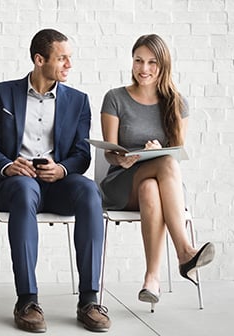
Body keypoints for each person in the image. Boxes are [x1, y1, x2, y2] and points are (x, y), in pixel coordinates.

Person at [0, 28, 110, 333]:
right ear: (40, 60)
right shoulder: (3, 93)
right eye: (62, 58)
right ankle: (27, 300)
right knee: (25, 191)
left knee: (90, 191)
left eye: (69, 58)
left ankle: (89, 299)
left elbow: (81, 154)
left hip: (58, 182)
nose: (69, 65)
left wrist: (62, 169)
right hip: (16, 183)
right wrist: (8, 165)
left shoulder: (79, 101)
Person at [99, 34, 214, 312]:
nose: (144, 68)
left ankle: (152, 279)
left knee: (152, 185)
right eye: (139, 60)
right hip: (121, 183)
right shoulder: (115, 98)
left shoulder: (176, 103)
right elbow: (109, 152)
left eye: (152, 62)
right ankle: (185, 252)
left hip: (161, 187)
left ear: (163, 65)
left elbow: (177, 153)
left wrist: (161, 148)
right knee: (163, 166)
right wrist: (122, 159)